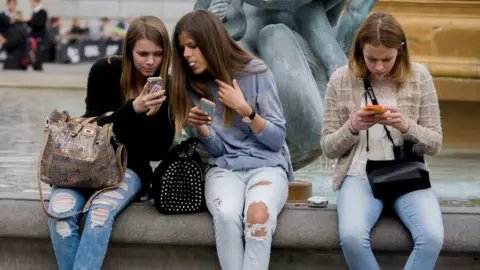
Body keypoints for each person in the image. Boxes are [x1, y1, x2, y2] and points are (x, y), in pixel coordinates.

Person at [47, 16, 175, 270]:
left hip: (130, 169)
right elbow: (94, 124)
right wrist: (132, 109)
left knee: (99, 214)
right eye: (143, 54)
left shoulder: (168, 86)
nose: (151, 61)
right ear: (129, 51)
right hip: (85, 163)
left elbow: (157, 151)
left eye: (158, 54)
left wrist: (154, 115)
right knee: (60, 214)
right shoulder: (104, 71)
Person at [170, 9, 293, 270]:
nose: (187, 55)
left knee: (257, 217)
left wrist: (245, 110)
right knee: (226, 216)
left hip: (267, 165)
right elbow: (217, 150)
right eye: (183, 49)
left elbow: (277, 139)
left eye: (193, 46)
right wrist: (202, 130)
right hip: (224, 168)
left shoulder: (256, 72)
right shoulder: (193, 84)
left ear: (211, 42)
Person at [321, 12, 444, 270]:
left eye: (386, 59)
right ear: (359, 51)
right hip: (358, 175)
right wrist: (353, 126)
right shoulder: (340, 79)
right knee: (352, 237)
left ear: (400, 50)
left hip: (406, 174)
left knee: (432, 237)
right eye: (371, 59)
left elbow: (435, 143)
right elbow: (328, 147)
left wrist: (407, 126)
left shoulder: (420, 77)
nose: (378, 67)